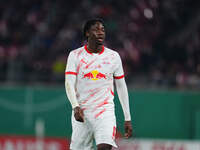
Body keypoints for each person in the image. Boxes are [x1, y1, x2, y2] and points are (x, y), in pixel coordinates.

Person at [65, 18, 132, 150]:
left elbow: (121, 86)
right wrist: (75, 106)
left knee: (105, 147)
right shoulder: (75, 56)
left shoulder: (113, 57)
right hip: (82, 114)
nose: (100, 33)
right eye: (96, 30)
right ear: (87, 33)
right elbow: (69, 83)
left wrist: (127, 118)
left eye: (102, 30)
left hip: (105, 112)